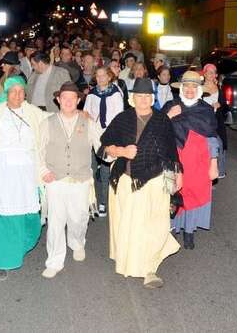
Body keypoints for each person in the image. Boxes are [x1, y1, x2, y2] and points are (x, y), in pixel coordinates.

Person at [99, 78, 182, 288]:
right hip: (126, 181)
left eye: (147, 96)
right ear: (132, 98)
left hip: (154, 180)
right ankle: (129, 262)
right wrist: (121, 151)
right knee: (129, 226)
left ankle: (149, 269)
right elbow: (104, 146)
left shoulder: (162, 121)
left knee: (155, 225)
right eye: (139, 96)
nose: (143, 100)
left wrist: (175, 177)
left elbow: (171, 153)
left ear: (152, 98)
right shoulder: (122, 119)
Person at [0, 77, 50, 281]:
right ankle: (3, 261)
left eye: (21, 91)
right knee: (3, 216)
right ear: (6, 93)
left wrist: (75, 114)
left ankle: (19, 247)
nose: (17, 95)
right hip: (2, 173)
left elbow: (52, 120)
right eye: (13, 91)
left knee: (30, 215)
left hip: (26, 174)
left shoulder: (32, 112)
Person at [38, 82, 103, 279]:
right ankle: (54, 261)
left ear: (78, 100)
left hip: (80, 179)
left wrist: (119, 155)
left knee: (79, 218)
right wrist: (43, 171)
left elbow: (102, 146)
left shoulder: (88, 122)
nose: (67, 101)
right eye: (64, 97)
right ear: (58, 100)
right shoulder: (47, 122)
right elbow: (38, 150)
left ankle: (77, 242)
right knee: (56, 221)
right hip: (55, 179)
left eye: (72, 98)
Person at [162, 71, 219, 250]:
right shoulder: (170, 106)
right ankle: (169, 229)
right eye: (186, 86)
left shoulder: (206, 110)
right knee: (171, 192)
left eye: (194, 87)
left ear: (199, 90)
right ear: (181, 88)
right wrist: (169, 116)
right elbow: (155, 130)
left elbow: (212, 138)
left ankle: (189, 231)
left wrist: (214, 163)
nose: (189, 90)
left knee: (192, 194)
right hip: (173, 157)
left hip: (198, 161)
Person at [83, 66, 125, 218]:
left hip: (110, 133)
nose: (101, 78)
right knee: (91, 168)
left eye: (103, 76)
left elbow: (120, 116)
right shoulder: (92, 94)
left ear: (109, 77)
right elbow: (86, 113)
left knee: (106, 170)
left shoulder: (116, 93)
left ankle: (103, 202)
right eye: (98, 76)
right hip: (94, 133)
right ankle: (90, 201)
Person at [202, 64, 230, 179]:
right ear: (204, 74)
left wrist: (220, 105)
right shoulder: (199, 89)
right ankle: (204, 172)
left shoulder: (219, 89)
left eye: (214, 72)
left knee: (220, 145)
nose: (211, 74)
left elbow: (225, 107)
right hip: (203, 123)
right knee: (204, 148)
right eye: (209, 72)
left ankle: (219, 171)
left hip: (217, 123)